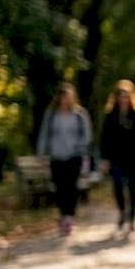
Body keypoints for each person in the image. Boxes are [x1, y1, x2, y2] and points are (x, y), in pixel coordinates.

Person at [36, 82, 94, 236]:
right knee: (59, 187)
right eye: (64, 97)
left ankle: (70, 216)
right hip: (57, 156)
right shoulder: (51, 115)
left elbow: (87, 135)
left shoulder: (79, 114)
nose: (66, 100)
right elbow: (44, 135)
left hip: (74, 156)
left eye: (69, 97)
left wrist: (80, 148)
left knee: (72, 187)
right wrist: (42, 154)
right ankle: (62, 215)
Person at [99, 79, 135, 233]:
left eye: (126, 95)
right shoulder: (110, 116)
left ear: (131, 97)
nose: (123, 99)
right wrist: (104, 158)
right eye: (121, 96)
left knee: (132, 188)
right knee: (117, 185)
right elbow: (104, 139)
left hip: (134, 158)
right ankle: (122, 211)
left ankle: (132, 218)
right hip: (116, 158)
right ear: (116, 97)